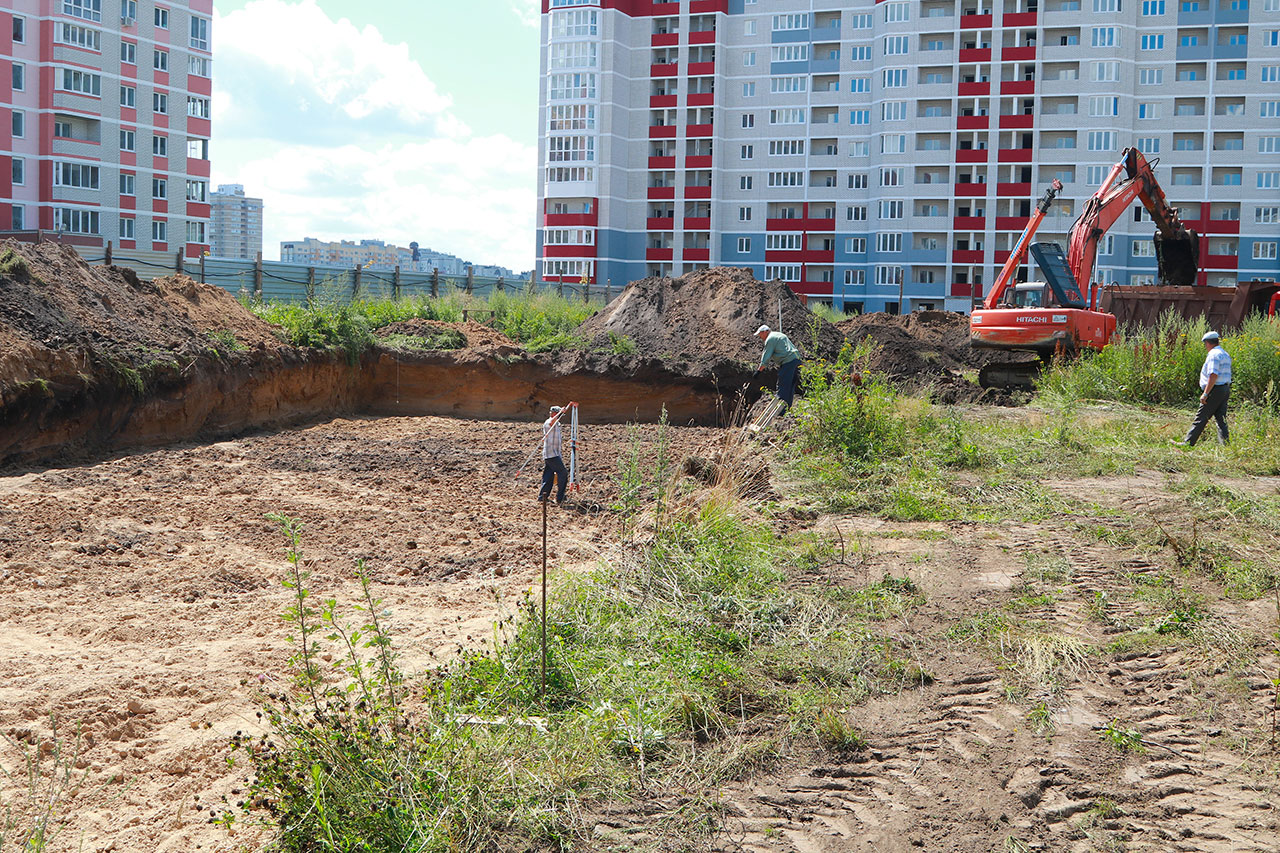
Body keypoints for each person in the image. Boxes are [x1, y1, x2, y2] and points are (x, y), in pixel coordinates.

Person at [1182, 330, 1232, 446]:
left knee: (1201, 417)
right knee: (1221, 419)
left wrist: (1205, 393)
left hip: (1215, 390)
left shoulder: (1213, 355)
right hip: (1224, 389)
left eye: (1205, 344)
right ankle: (1225, 445)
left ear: (1208, 343)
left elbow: (1213, 375)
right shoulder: (1225, 354)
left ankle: (1188, 443)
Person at [755, 324, 803, 411]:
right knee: (790, 386)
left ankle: (780, 411)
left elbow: (766, 356)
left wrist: (758, 371)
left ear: (765, 331)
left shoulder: (770, 339)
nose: (760, 337)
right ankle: (787, 408)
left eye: (760, 334)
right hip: (796, 360)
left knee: (783, 385)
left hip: (788, 362)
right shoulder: (779, 334)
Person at [538, 405, 569, 504]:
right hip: (551, 454)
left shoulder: (557, 424)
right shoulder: (549, 422)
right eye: (559, 414)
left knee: (548, 475)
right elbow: (551, 422)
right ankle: (560, 498)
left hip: (553, 454)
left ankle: (542, 496)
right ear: (555, 413)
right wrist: (560, 413)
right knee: (563, 473)